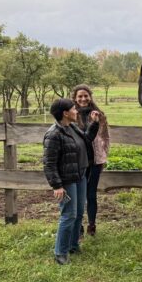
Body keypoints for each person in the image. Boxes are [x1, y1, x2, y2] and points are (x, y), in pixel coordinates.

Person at [43, 98, 99, 265]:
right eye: (74, 109)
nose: (76, 111)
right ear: (65, 113)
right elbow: (49, 163)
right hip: (67, 180)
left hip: (80, 176)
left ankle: (73, 246)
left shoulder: (72, 127)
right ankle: (60, 252)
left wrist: (94, 123)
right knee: (69, 215)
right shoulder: (54, 134)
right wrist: (57, 186)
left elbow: (87, 139)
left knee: (79, 213)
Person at [71, 84, 110, 238]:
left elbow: (105, 137)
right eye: (80, 96)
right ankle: (78, 225)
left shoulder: (99, 115)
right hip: (78, 161)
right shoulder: (71, 115)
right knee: (77, 195)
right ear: (75, 98)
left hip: (95, 161)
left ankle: (92, 225)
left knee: (91, 194)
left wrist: (104, 155)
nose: (83, 99)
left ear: (90, 97)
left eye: (86, 96)